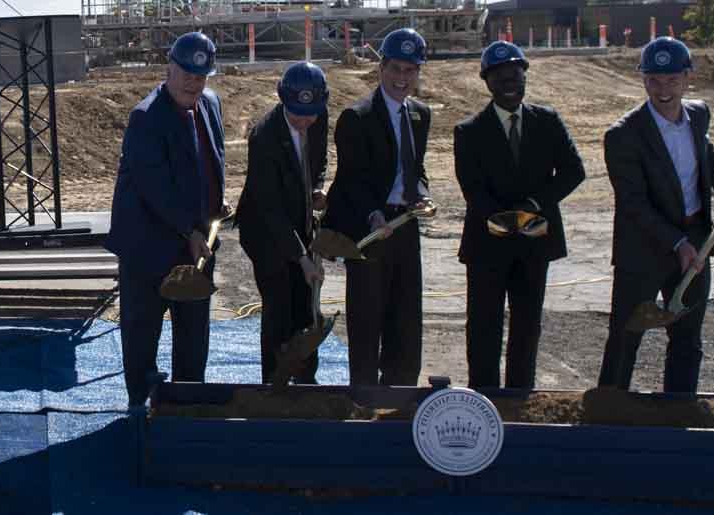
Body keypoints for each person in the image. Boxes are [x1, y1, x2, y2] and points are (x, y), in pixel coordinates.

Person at [598, 37, 714, 394]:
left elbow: (708, 155)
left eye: (671, 80)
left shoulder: (698, 115)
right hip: (643, 249)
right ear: (643, 80)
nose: (663, 89)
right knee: (626, 335)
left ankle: (679, 411)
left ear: (687, 78)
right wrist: (676, 242)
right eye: (654, 79)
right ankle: (608, 414)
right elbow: (633, 203)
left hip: (695, 242)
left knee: (686, 337)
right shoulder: (623, 135)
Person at [453, 41, 586, 390]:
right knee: (484, 328)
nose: (509, 83)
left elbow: (574, 171)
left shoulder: (548, 121)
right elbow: (473, 189)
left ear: (524, 76)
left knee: (527, 328)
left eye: (515, 75)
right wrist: (506, 219)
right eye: (499, 78)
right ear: (487, 82)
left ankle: (520, 399)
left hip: (534, 244)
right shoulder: (468, 132)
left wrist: (535, 205)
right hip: (487, 246)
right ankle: (485, 398)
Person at [107, 31, 229, 406]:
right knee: (142, 332)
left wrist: (214, 207)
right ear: (169, 68)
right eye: (187, 73)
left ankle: (187, 403)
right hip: (148, 247)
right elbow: (155, 188)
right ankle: (139, 409)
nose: (194, 81)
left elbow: (212, 160)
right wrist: (189, 228)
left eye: (202, 75)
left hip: (196, 245)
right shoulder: (146, 117)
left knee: (194, 334)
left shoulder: (209, 104)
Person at [321, 28, 432, 386]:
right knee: (368, 320)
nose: (402, 78)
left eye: (410, 70)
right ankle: (365, 397)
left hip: (405, 226)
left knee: (406, 317)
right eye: (396, 69)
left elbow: (417, 167)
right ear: (381, 68)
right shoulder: (357, 117)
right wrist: (373, 215)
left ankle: (400, 395)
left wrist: (422, 193)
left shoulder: (420, 114)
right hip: (369, 230)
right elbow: (352, 180)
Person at [238, 61, 330, 385]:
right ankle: (274, 383)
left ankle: (306, 379)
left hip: (298, 217)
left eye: (311, 114)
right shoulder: (263, 138)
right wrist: (302, 258)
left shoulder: (317, 118)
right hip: (265, 229)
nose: (305, 122)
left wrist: (317, 187)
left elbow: (319, 161)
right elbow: (271, 210)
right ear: (283, 102)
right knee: (279, 306)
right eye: (297, 115)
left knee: (306, 305)